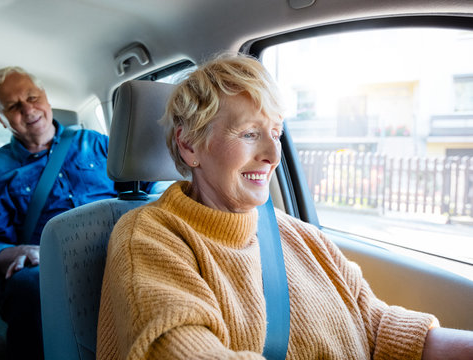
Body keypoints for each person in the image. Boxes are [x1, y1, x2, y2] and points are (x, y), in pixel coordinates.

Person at [96, 53, 473, 359]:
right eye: (249, 134)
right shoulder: (147, 238)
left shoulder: (302, 237)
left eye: (275, 133)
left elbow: (377, 328)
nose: (273, 154)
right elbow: (179, 348)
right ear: (190, 145)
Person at [0, 66, 155, 359]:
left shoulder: (95, 143)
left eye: (32, 97)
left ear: (45, 96)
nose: (28, 109)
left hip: (118, 249)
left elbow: (148, 184)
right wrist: (22, 251)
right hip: (48, 268)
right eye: (14, 106)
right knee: (28, 284)